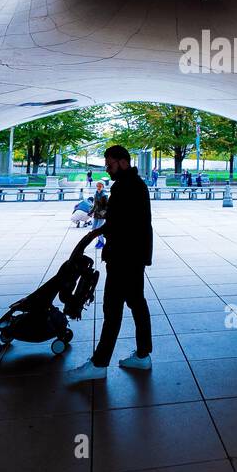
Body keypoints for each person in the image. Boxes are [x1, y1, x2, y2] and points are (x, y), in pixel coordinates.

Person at [66, 145, 153, 383]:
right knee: (137, 303)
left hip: (123, 257)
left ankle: (99, 363)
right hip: (133, 256)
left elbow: (119, 224)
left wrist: (91, 235)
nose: (107, 168)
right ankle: (143, 355)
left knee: (112, 309)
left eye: (110, 163)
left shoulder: (127, 186)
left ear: (123, 162)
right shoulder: (134, 184)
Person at [91, 179, 108, 249]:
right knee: (94, 228)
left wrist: (103, 214)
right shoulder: (95, 194)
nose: (98, 187)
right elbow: (95, 205)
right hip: (96, 213)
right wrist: (91, 211)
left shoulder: (104, 195)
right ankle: (99, 240)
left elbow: (106, 206)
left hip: (101, 214)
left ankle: (102, 242)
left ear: (103, 187)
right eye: (97, 186)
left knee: (98, 228)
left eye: (100, 186)